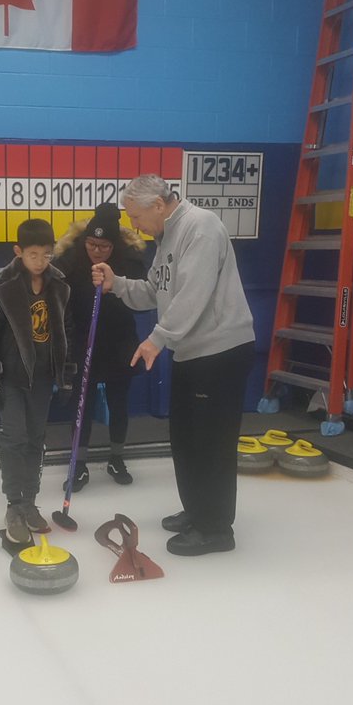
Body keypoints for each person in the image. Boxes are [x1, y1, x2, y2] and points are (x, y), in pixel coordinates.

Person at [92, 175, 255, 556]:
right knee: (185, 439)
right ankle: (198, 510)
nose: (134, 225)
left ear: (159, 205)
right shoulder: (165, 238)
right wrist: (116, 284)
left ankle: (215, 529)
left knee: (211, 443)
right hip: (191, 352)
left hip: (220, 353)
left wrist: (157, 338)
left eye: (136, 216)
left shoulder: (201, 227)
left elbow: (193, 295)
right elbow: (155, 291)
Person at [0, 218, 76, 547]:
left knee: (36, 439)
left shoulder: (58, 287)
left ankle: (29, 502)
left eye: (47, 255)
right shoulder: (4, 287)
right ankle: (13, 506)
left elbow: (68, 334)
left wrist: (66, 377)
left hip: (43, 379)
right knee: (14, 439)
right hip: (11, 378)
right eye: (33, 254)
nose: (40, 261)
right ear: (18, 252)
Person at [53, 202, 152, 490]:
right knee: (81, 404)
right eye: (92, 244)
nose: (96, 251)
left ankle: (117, 457)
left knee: (119, 401)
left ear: (115, 244)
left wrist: (113, 289)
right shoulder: (70, 258)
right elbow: (56, 294)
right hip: (83, 339)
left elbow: (143, 301)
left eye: (104, 246)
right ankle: (79, 464)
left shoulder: (130, 261)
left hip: (119, 339)